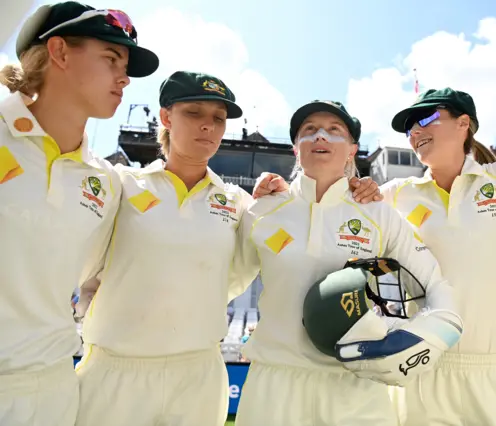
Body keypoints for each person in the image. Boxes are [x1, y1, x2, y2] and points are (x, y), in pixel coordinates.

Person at [73, 74, 381, 426]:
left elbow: (246, 271)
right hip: (115, 368)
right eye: (194, 112)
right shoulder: (122, 183)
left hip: (198, 374)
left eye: (218, 118)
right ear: (166, 117)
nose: (208, 126)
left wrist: (350, 187)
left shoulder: (237, 202)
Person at [230, 100, 462, 426]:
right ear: (297, 148)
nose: (320, 136)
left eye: (334, 130)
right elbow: (223, 284)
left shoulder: (378, 213)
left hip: (357, 387)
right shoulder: (261, 211)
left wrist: (434, 337)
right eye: (309, 130)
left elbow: (434, 283)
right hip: (275, 384)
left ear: (352, 149)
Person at [0, 3, 157, 425]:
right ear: (60, 52)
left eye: (125, 66)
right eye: (110, 59)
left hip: (53, 392)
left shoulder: (107, 183)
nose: (124, 78)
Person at [381, 88, 496, 425]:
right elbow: (333, 211)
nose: (415, 131)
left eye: (426, 118)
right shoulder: (394, 195)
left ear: (464, 124)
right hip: (423, 371)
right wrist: (276, 189)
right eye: (408, 127)